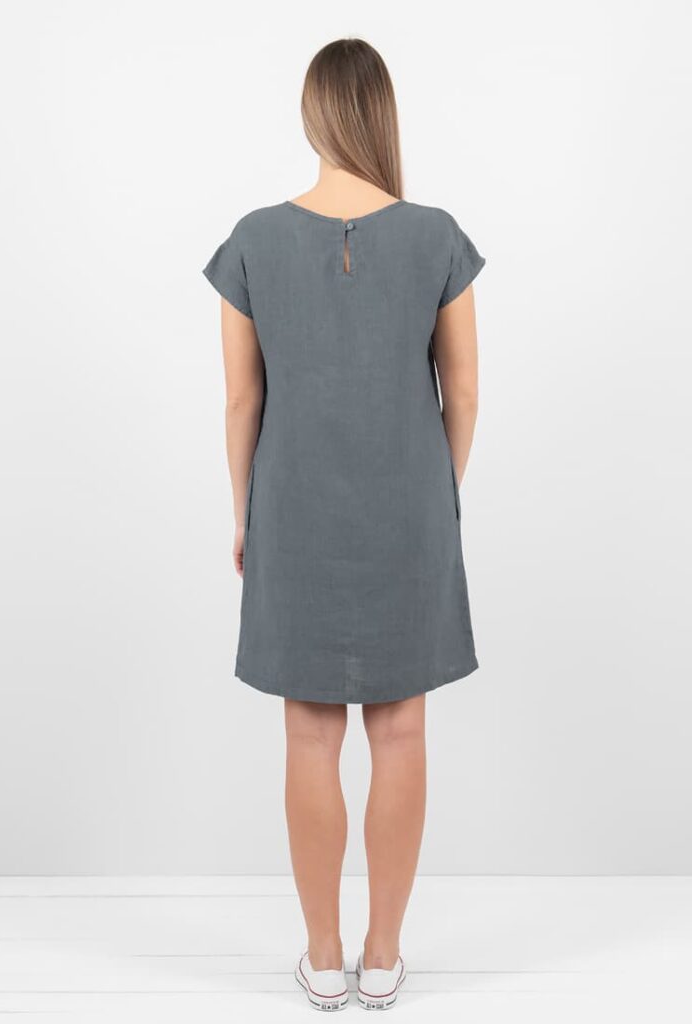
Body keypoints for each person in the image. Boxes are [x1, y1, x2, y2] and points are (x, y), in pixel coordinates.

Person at [202, 37, 484, 1012]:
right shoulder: (437, 236)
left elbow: (242, 401)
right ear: (382, 114)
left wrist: (244, 512)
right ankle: (384, 953)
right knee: (400, 731)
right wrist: (434, 493)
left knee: (309, 734)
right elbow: (464, 392)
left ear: (312, 115)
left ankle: (323, 956)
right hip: (411, 509)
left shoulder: (253, 239)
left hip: (293, 509)